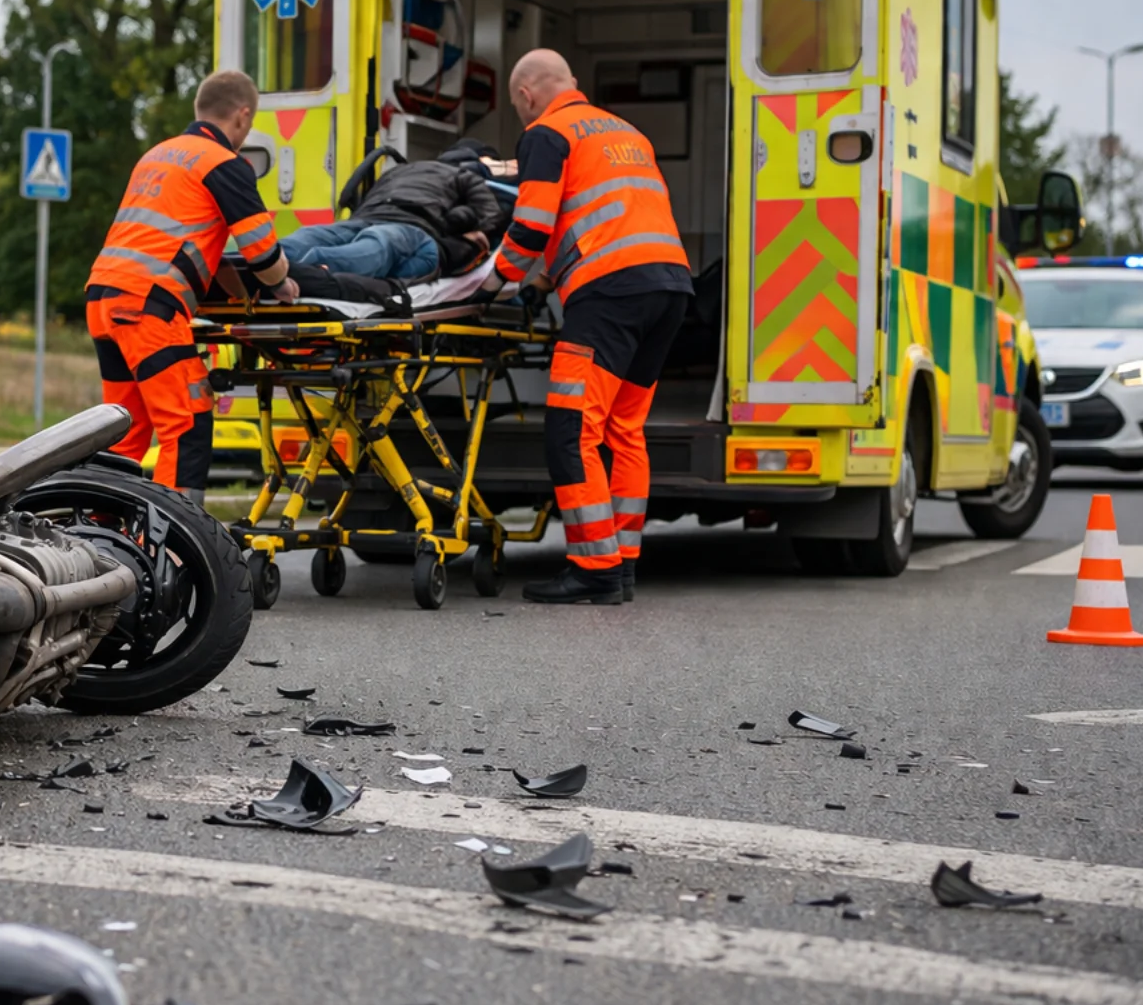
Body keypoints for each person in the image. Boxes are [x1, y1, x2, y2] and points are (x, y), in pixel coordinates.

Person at [483, 49, 693, 605]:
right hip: (668, 287)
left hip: (610, 297)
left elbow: (531, 226)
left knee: (572, 432)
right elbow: (602, 223)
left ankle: (594, 569)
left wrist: (493, 286)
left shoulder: (547, 134)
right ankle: (620, 564)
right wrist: (542, 285)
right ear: (572, 82)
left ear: (526, 97)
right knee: (625, 430)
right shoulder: (626, 133)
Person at [84, 70, 297, 499]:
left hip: (104, 299)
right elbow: (262, 254)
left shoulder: (159, 155)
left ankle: (103, 534)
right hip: (148, 308)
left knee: (126, 431)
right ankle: (176, 547)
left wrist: (232, 285)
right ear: (241, 116)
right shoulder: (224, 163)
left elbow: (179, 237)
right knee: (188, 420)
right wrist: (283, 285)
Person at [281, 141, 511, 283]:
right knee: (380, 245)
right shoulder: (463, 176)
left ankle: (267, 258)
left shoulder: (399, 171)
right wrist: (461, 232)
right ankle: (308, 268)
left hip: (367, 217)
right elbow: (491, 215)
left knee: (318, 235)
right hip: (412, 224)